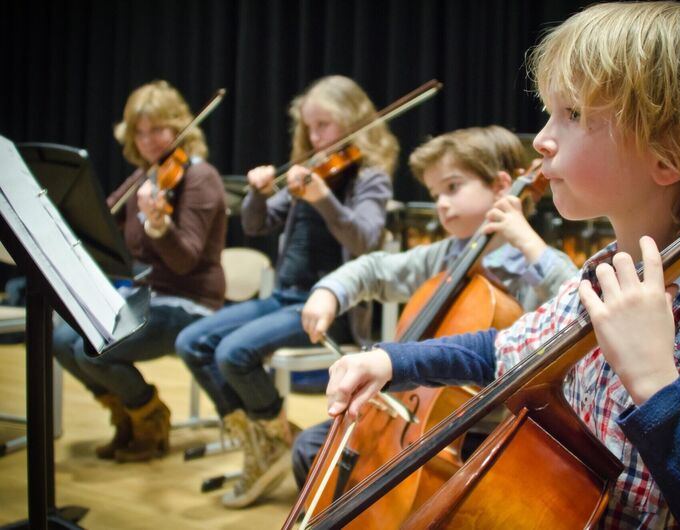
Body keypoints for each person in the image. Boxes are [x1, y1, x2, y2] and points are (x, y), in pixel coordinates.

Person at [323, 3, 680, 528]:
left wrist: (656, 386)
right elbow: (501, 349)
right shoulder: (596, 280)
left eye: (570, 115)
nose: (542, 139)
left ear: (670, 155)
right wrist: (391, 361)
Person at [292, 124, 578, 489]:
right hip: (417, 418)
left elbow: (576, 297)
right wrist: (329, 292)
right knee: (311, 450)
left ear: (501, 185)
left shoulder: (532, 262)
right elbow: (376, 269)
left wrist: (527, 241)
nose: (441, 202)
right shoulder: (447, 254)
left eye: (453, 187)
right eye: (435, 192)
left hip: (490, 429)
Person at [174, 75, 399, 509]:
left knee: (232, 353)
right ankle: (269, 439)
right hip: (283, 297)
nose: (316, 137)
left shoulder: (369, 178)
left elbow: (365, 240)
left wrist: (322, 198)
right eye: (309, 128)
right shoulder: (309, 171)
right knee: (191, 341)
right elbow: (257, 224)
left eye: (325, 126)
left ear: (352, 120)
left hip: (327, 305)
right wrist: (258, 195)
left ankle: (268, 443)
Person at [52, 80, 227, 463]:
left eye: (159, 129)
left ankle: (150, 415)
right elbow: (100, 218)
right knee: (62, 340)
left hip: (189, 303)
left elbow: (185, 262)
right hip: (144, 298)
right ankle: (127, 417)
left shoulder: (200, 178)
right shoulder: (144, 177)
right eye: (140, 131)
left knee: (92, 350)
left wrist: (159, 227)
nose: (149, 140)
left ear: (180, 125)